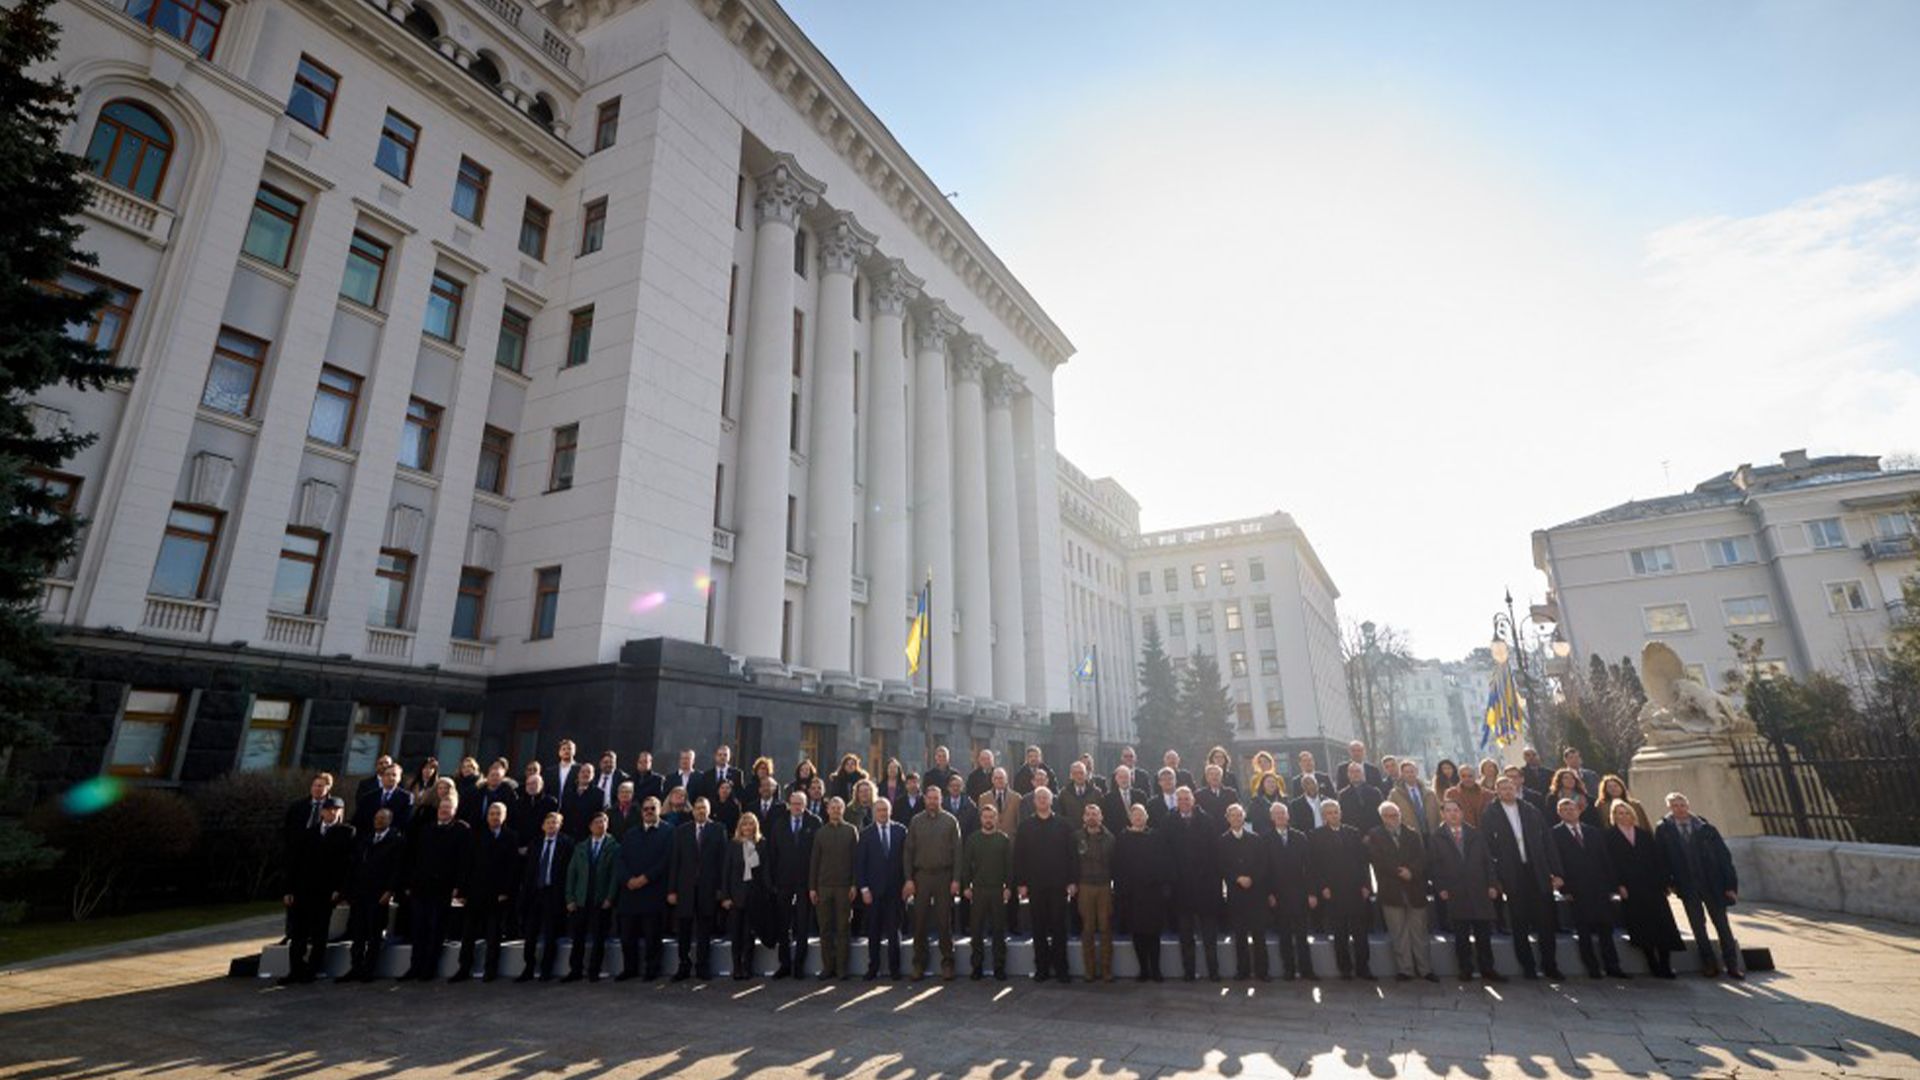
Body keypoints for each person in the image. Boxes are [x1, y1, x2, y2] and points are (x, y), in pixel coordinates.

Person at [1482, 776, 1565, 980]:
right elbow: (1486, 850)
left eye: (1510, 787)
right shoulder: (1490, 814)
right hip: (1512, 874)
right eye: (1502, 788)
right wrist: (1495, 879)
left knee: (1545, 922)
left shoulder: (1530, 809)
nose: (1507, 790)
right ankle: (1528, 966)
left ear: (1516, 788)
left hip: (1537, 872)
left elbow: (1547, 841)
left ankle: (1550, 965)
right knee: (1519, 923)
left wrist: (1557, 872)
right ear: (1496, 791)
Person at [1655, 792, 1744, 979]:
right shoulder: (1664, 830)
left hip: (1712, 884)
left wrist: (1730, 885)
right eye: (1675, 805)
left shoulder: (1705, 828)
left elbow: (1724, 857)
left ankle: (1732, 964)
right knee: (1698, 927)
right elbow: (1661, 859)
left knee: (1722, 924)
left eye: (1682, 804)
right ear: (1669, 808)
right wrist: (1669, 883)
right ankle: (1709, 963)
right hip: (1687, 885)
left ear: (1688, 805)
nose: (1679, 809)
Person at [1427, 798, 1503, 982]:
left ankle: (1488, 969)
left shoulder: (1475, 833)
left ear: (1461, 813)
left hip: (1479, 890)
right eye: (1448, 810)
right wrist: (1441, 887)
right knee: (1461, 936)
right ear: (1443, 814)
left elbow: (1488, 861)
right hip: (1455, 891)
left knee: (1483, 935)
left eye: (1456, 810)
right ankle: (1465, 969)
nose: (1453, 814)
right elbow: (1433, 866)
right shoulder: (1436, 837)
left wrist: (1493, 884)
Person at [1551, 796, 1628, 979]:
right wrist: (1565, 890)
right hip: (1576, 890)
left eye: (1572, 809)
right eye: (1564, 809)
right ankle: (1592, 967)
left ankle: (1613, 966)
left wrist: (1612, 886)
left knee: (1606, 930)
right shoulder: (1554, 834)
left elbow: (1606, 860)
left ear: (1579, 810)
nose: (1569, 812)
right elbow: (1556, 863)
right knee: (1583, 932)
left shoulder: (1593, 832)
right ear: (1559, 813)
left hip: (1599, 888)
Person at [281, 795, 354, 984]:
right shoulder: (309, 833)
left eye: (336, 810)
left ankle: (313, 970)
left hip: (326, 892)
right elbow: (295, 863)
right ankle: (295, 969)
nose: (333, 813)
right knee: (298, 933)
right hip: (303, 890)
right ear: (322, 812)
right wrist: (289, 890)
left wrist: (340, 889)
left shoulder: (347, 833)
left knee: (319, 933)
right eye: (329, 809)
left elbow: (347, 864)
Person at [1605, 798, 1680, 979]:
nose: (1623, 816)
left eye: (1626, 813)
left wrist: (1664, 883)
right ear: (1613, 816)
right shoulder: (1609, 837)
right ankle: (1652, 964)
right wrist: (1618, 885)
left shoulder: (1644, 834)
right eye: (1619, 813)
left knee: (1662, 925)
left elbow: (1657, 859)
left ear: (1632, 815)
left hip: (1652, 885)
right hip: (1631, 888)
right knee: (1642, 926)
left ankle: (1665, 965)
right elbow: (1610, 864)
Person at [400, 793, 471, 981]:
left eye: (448, 808)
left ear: (454, 811)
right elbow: (416, 857)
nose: (443, 811)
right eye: (441, 808)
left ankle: (428, 968)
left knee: (435, 929)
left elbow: (464, 861)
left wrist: (459, 886)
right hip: (422, 886)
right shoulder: (427, 829)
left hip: (443, 887)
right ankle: (415, 966)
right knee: (418, 928)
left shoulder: (461, 830)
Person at [1012, 786, 1075, 982]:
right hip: (1035, 885)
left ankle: (1061, 969)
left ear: (1051, 800)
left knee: (1059, 927)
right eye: (1038, 797)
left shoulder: (1064, 825)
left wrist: (1072, 881)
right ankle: (1042, 968)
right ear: (1034, 801)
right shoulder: (1025, 826)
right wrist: (1021, 883)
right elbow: (1019, 857)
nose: (1041, 800)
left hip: (1058, 885)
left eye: (1045, 797)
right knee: (1038, 928)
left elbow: (1072, 856)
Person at [1367, 801, 1434, 981]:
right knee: (1399, 934)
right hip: (1391, 891)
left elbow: (1422, 858)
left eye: (1396, 815)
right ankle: (1405, 970)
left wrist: (1411, 871)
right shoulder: (1375, 835)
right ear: (1382, 818)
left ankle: (1425, 969)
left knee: (1419, 933)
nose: (1393, 819)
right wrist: (1399, 871)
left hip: (1414, 890)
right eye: (1389, 816)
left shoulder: (1412, 834)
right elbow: (1377, 860)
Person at [453, 801, 519, 983]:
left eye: (498, 813)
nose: (495, 816)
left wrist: (505, 890)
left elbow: (512, 867)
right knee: (468, 934)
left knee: (493, 935)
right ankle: (464, 968)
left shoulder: (511, 836)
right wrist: (462, 891)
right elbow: (466, 864)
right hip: (475, 891)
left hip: (497, 894)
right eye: (492, 813)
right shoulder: (475, 835)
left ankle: (491, 970)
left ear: (504, 816)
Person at [1161, 787, 1221, 981]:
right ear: (1176, 801)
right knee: (1186, 936)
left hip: (1205, 887)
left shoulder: (1207, 820)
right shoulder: (1168, 821)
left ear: (1193, 800)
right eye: (1180, 799)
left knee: (1209, 936)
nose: (1184, 802)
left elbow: (1215, 852)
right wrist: (1172, 878)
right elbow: (1166, 853)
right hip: (1181, 888)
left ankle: (1214, 971)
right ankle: (1189, 972)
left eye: (1187, 799)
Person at [1311, 800, 1373, 980]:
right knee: (1340, 934)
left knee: (1360, 933)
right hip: (1333, 891)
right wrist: (1322, 887)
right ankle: (1345, 969)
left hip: (1355, 889)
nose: (1333, 815)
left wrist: (1366, 885)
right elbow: (1315, 866)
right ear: (1324, 816)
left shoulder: (1353, 833)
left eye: (1336, 812)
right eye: (1329, 813)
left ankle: (1363, 968)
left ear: (1341, 813)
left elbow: (1363, 862)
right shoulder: (1316, 835)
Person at [904, 787, 962, 981]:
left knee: (944, 922)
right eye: (929, 798)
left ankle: (947, 963)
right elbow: (908, 852)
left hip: (944, 877)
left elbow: (958, 853)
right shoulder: (916, 821)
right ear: (925, 799)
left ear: (941, 800)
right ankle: (919, 963)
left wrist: (956, 879)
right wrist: (909, 879)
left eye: (936, 798)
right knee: (919, 922)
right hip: (921, 877)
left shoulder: (950, 821)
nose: (932, 801)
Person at [343, 806, 405, 982]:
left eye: (382, 818)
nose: (378, 821)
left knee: (374, 934)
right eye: (376, 818)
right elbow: (354, 865)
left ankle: (369, 969)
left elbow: (397, 868)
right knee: (358, 933)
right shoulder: (365, 839)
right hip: (360, 892)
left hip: (379, 894)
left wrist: (389, 890)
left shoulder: (396, 841)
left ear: (389, 821)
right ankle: (355, 967)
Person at [667, 796, 726, 981]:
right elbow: (674, 862)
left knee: (704, 931)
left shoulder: (718, 830)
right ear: (693, 811)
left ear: (709, 810)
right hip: (685, 889)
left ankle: (702, 966)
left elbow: (722, 863)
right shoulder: (681, 831)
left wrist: (721, 889)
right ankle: (683, 965)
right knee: (683, 930)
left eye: (704, 808)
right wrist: (671, 890)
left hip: (708, 889)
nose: (701, 811)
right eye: (698, 807)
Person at [614, 796, 672, 981]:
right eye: (645, 809)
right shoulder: (631, 833)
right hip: (630, 892)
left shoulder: (669, 831)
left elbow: (666, 860)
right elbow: (620, 859)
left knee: (652, 936)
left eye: (652, 809)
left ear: (659, 810)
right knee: (627, 936)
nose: (648, 812)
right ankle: (629, 969)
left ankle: (651, 969)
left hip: (653, 892)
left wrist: (646, 878)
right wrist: (629, 879)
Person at [1112, 803, 1168, 982]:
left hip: (1152, 892)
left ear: (1147, 817)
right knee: (1138, 934)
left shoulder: (1156, 836)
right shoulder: (1122, 838)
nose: (1138, 818)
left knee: (1153, 933)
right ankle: (1143, 969)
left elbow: (1163, 862)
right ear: (1130, 818)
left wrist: (1160, 883)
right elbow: (1118, 866)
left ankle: (1156, 969)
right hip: (1132, 894)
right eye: (1135, 815)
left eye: (1141, 814)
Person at [960, 801, 1014, 980]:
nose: (989, 820)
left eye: (992, 817)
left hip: (998, 890)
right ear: (981, 819)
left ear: (997, 819)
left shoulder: (1003, 839)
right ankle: (977, 966)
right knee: (976, 931)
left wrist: (1008, 887)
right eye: (985, 817)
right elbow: (966, 865)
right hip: (979, 891)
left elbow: (1009, 866)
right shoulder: (973, 839)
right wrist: (966, 886)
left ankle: (999, 966)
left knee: (999, 930)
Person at [516, 812, 572, 981]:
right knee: (530, 933)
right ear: (543, 826)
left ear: (560, 825)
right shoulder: (536, 843)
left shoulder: (567, 844)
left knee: (550, 933)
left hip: (553, 893)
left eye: (555, 823)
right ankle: (528, 968)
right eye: (548, 822)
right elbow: (528, 871)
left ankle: (546, 969)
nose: (551, 825)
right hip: (534, 893)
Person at [856, 796, 907, 979]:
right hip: (873, 892)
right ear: (874, 812)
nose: (883, 813)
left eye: (885, 810)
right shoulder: (866, 834)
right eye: (879, 810)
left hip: (895, 891)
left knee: (894, 932)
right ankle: (873, 967)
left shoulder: (901, 831)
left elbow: (906, 861)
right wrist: (863, 889)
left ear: (890, 811)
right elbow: (860, 864)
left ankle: (895, 969)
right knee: (874, 932)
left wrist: (907, 884)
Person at [280, 772, 335, 945]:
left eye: (321, 786)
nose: (317, 789)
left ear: (328, 788)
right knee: (294, 900)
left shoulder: (332, 807)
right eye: (315, 785)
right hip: (298, 856)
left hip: (320, 861)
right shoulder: (298, 807)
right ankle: (291, 933)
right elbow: (288, 831)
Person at [809, 797, 860, 980]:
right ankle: (827, 968)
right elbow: (814, 861)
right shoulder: (820, 832)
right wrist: (812, 888)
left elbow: (856, 860)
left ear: (843, 810)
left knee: (843, 928)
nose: (836, 810)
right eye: (833, 807)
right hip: (823, 887)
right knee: (825, 929)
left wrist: (855, 883)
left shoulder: (851, 831)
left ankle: (841, 969)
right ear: (828, 810)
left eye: (839, 807)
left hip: (844, 887)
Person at [769, 789, 819, 978]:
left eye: (800, 803)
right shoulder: (779, 824)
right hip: (783, 881)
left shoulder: (815, 823)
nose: (797, 807)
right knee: (783, 923)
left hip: (806, 881)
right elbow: (773, 854)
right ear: (789, 804)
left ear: (805, 805)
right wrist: (773, 881)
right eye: (794, 803)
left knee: (803, 924)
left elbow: (817, 855)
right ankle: (785, 964)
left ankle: (799, 965)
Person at [1216, 804, 1268, 981]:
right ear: (1227, 818)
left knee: (1259, 935)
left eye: (1239, 815)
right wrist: (1237, 878)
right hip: (1236, 895)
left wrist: (1251, 878)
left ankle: (1262, 971)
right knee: (1240, 935)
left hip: (1255, 894)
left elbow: (1263, 864)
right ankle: (1243, 971)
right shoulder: (1221, 841)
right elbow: (1221, 866)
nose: (1236, 819)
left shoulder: (1255, 839)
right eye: (1233, 816)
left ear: (1244, 817)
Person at [1263, 802, 1314, 980]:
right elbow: (1265, 869)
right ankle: (1289, 970)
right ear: (1271, 818)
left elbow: (1309, 867)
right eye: (1276, 814)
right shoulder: (1266, 839)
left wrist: (1311, 893)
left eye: (1283, 814)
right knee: (1284, 936)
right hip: (1279, 895)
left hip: (1299, 893)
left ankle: (1307, 970)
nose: (1280, 817)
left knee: (1302, 935)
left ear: (1288, 816)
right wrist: (1269, 894)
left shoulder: (1300, 837)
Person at [722, 812, 773, 980]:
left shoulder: (762, 844)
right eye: (745, 824)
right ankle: (736, 967)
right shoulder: (733, 845)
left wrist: (768, 891)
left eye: (751, 824)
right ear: (740, 827)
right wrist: (726, 896)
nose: (748, 827)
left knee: (749, 934)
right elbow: (726, 872)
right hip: (736, 896)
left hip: (754, 895)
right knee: (736, 934)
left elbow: (765, 870)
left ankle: (747, 967)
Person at [1073, 802, 1117, 982]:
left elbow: (1115, 863)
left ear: (1101, 817)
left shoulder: (1110, 838)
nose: (1092, 817)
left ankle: (1106, 970)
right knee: (1088, 929)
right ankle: (1089, 971)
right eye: (1088, 814)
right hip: (1084, 886)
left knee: (1106, 928)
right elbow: (1071, 861)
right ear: (1084, 818)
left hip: (1104, 886)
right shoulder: (1076, 837)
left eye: (1095, 814)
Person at [354, 761, 413, 835]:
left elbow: (404, 821)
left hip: (392, 839)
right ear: (382, 777)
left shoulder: (406, 798)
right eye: (387, 775)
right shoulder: (369, 797)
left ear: (399, 778)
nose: (390, 778)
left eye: (394, 775)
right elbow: (360, 819)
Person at [1390, 760, 1440, 835]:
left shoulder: (1429, 793)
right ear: (1402, 774)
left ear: (1416, 772)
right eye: (1407, 772)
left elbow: (1438, 812)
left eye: (1412, 771)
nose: (1410, 774)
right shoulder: (1395, 794)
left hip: (1431, 833)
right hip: (1411, 835)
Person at [511, 773, 560, 848]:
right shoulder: (519, 803)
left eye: (534, 783)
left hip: (541, 846)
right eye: (528, 784)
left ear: (541, 785)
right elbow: (515, 825)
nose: (530, 786)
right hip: (520, 846)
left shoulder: (550, 802)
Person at [560, 763, 606, 841]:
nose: (585, 774)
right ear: (578, 774)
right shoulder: (568, 792)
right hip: (568, 834)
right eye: (583, 772)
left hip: (587, 836)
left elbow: (598, 815)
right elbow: (563, 812)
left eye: (589, 772)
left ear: (593, 775)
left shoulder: (599, 794)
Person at [1337, 762, 1384, 834]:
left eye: (1358, 771)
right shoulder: (1343, 795)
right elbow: (1343, 818)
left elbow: (1380, 815)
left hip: (1374, 835)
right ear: (1348, 775)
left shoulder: (1375, 793)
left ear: (1363, 774)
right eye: (1352, 772)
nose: (1355, 774)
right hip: (1352, 836)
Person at [977, 767, 1021, 838]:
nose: (998, 781)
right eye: (996, 778)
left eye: (1001, 778)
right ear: (992, 780)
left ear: (1006, 780)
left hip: (1011, 840)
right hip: (990, 839)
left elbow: (1019, 821)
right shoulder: (983, 798)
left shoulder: (1016, 798)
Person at [1102, 765, 1147, 833]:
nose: (1124, 780)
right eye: (1120, 777)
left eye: (1126, 777)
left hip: (1140, 834)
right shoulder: (1108, 798)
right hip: (1118, 836)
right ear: (1116, 779)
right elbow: (1107, 820)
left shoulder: (1141, 795)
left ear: (1131, 778)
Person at [1058, 760, 1102, 824]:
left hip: (1091, 831)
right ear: (1071, 776)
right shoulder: (1064, 794)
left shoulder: (1096, 793)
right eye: (1075, 773)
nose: (1079, 776)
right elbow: (1061, 814)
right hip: (1070, 831)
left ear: (1086, 774)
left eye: (1081, 773)